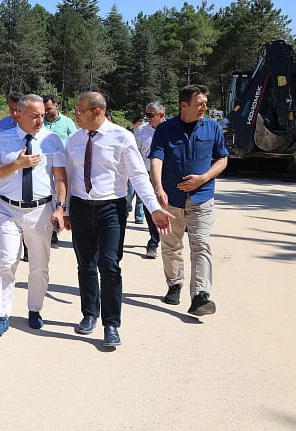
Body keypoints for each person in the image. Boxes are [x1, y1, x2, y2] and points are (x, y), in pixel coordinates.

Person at [64, 91, 173, 347]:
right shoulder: (73, 140)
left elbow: (137, 175)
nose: (76, 114)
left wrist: (154, 207)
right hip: (81, 206)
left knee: (110, 265)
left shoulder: (122, 137)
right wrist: (67, 210)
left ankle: (111, 324)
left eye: (80, 110)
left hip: (111, 208)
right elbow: (68, 178)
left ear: (97, 111)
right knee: (86, 264)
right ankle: (89, 314)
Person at [0, 94, 67, 336]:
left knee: (39, 266)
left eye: (42, 115)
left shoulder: (52, 140)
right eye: (34, 116)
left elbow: (60, 178)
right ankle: (1, 314)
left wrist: (60, 208)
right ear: (19, 114)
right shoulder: (2, 140)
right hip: (9, 209)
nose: (40, 120)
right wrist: (17, 165)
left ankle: (34, 309)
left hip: (41, 211)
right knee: (7, 261)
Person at [149, 85, 228, 316]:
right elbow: (156, 158)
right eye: (200, 103)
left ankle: (200, 296)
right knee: (171, 245)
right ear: (184, 105)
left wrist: (203, 178)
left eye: (205, 102)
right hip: (172, 200)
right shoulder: (165, 129)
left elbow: (222, 159)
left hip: (202, 199)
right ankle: (174, 284)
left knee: (201, 244)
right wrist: (158, 188)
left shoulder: (212, 128)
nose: (204, 106)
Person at [135, 102, 167, 258]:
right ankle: (153, 241)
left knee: (170, 206)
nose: (147, 118)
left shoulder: (172, 129)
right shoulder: (141, 131)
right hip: (147, 173)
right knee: (151, 207)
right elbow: (135, 153)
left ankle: (170, 240)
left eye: (150, 115)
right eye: (146, 115)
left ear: (161, 115)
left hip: (168, 174)